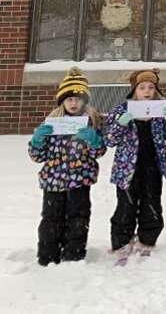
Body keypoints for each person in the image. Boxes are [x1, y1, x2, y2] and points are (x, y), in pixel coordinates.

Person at [28, 67, 105, 265]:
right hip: (53, 181)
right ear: (62, 101)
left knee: (78, 218)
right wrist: (37, 141)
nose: (73, 103)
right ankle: (47, 255)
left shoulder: (92, 122)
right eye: (69, 99)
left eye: (78, 99)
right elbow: (38, 156)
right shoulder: (52, 123)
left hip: (80, 180)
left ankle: (74, 254)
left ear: (84, 101)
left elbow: (99, 153)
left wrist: (94, 141)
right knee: (51, 219)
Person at [104, 67, 166, 262]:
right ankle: (121, 242)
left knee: (151, 204)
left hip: (152, 166)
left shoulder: (159, 110)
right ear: (134, 89)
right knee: (126, 206)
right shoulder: (121, 110)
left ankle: (147, 240)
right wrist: (121, 124)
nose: (147, 91)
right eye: (142, 87)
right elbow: (109, 140)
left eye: (151, 87)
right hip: (127, 169)